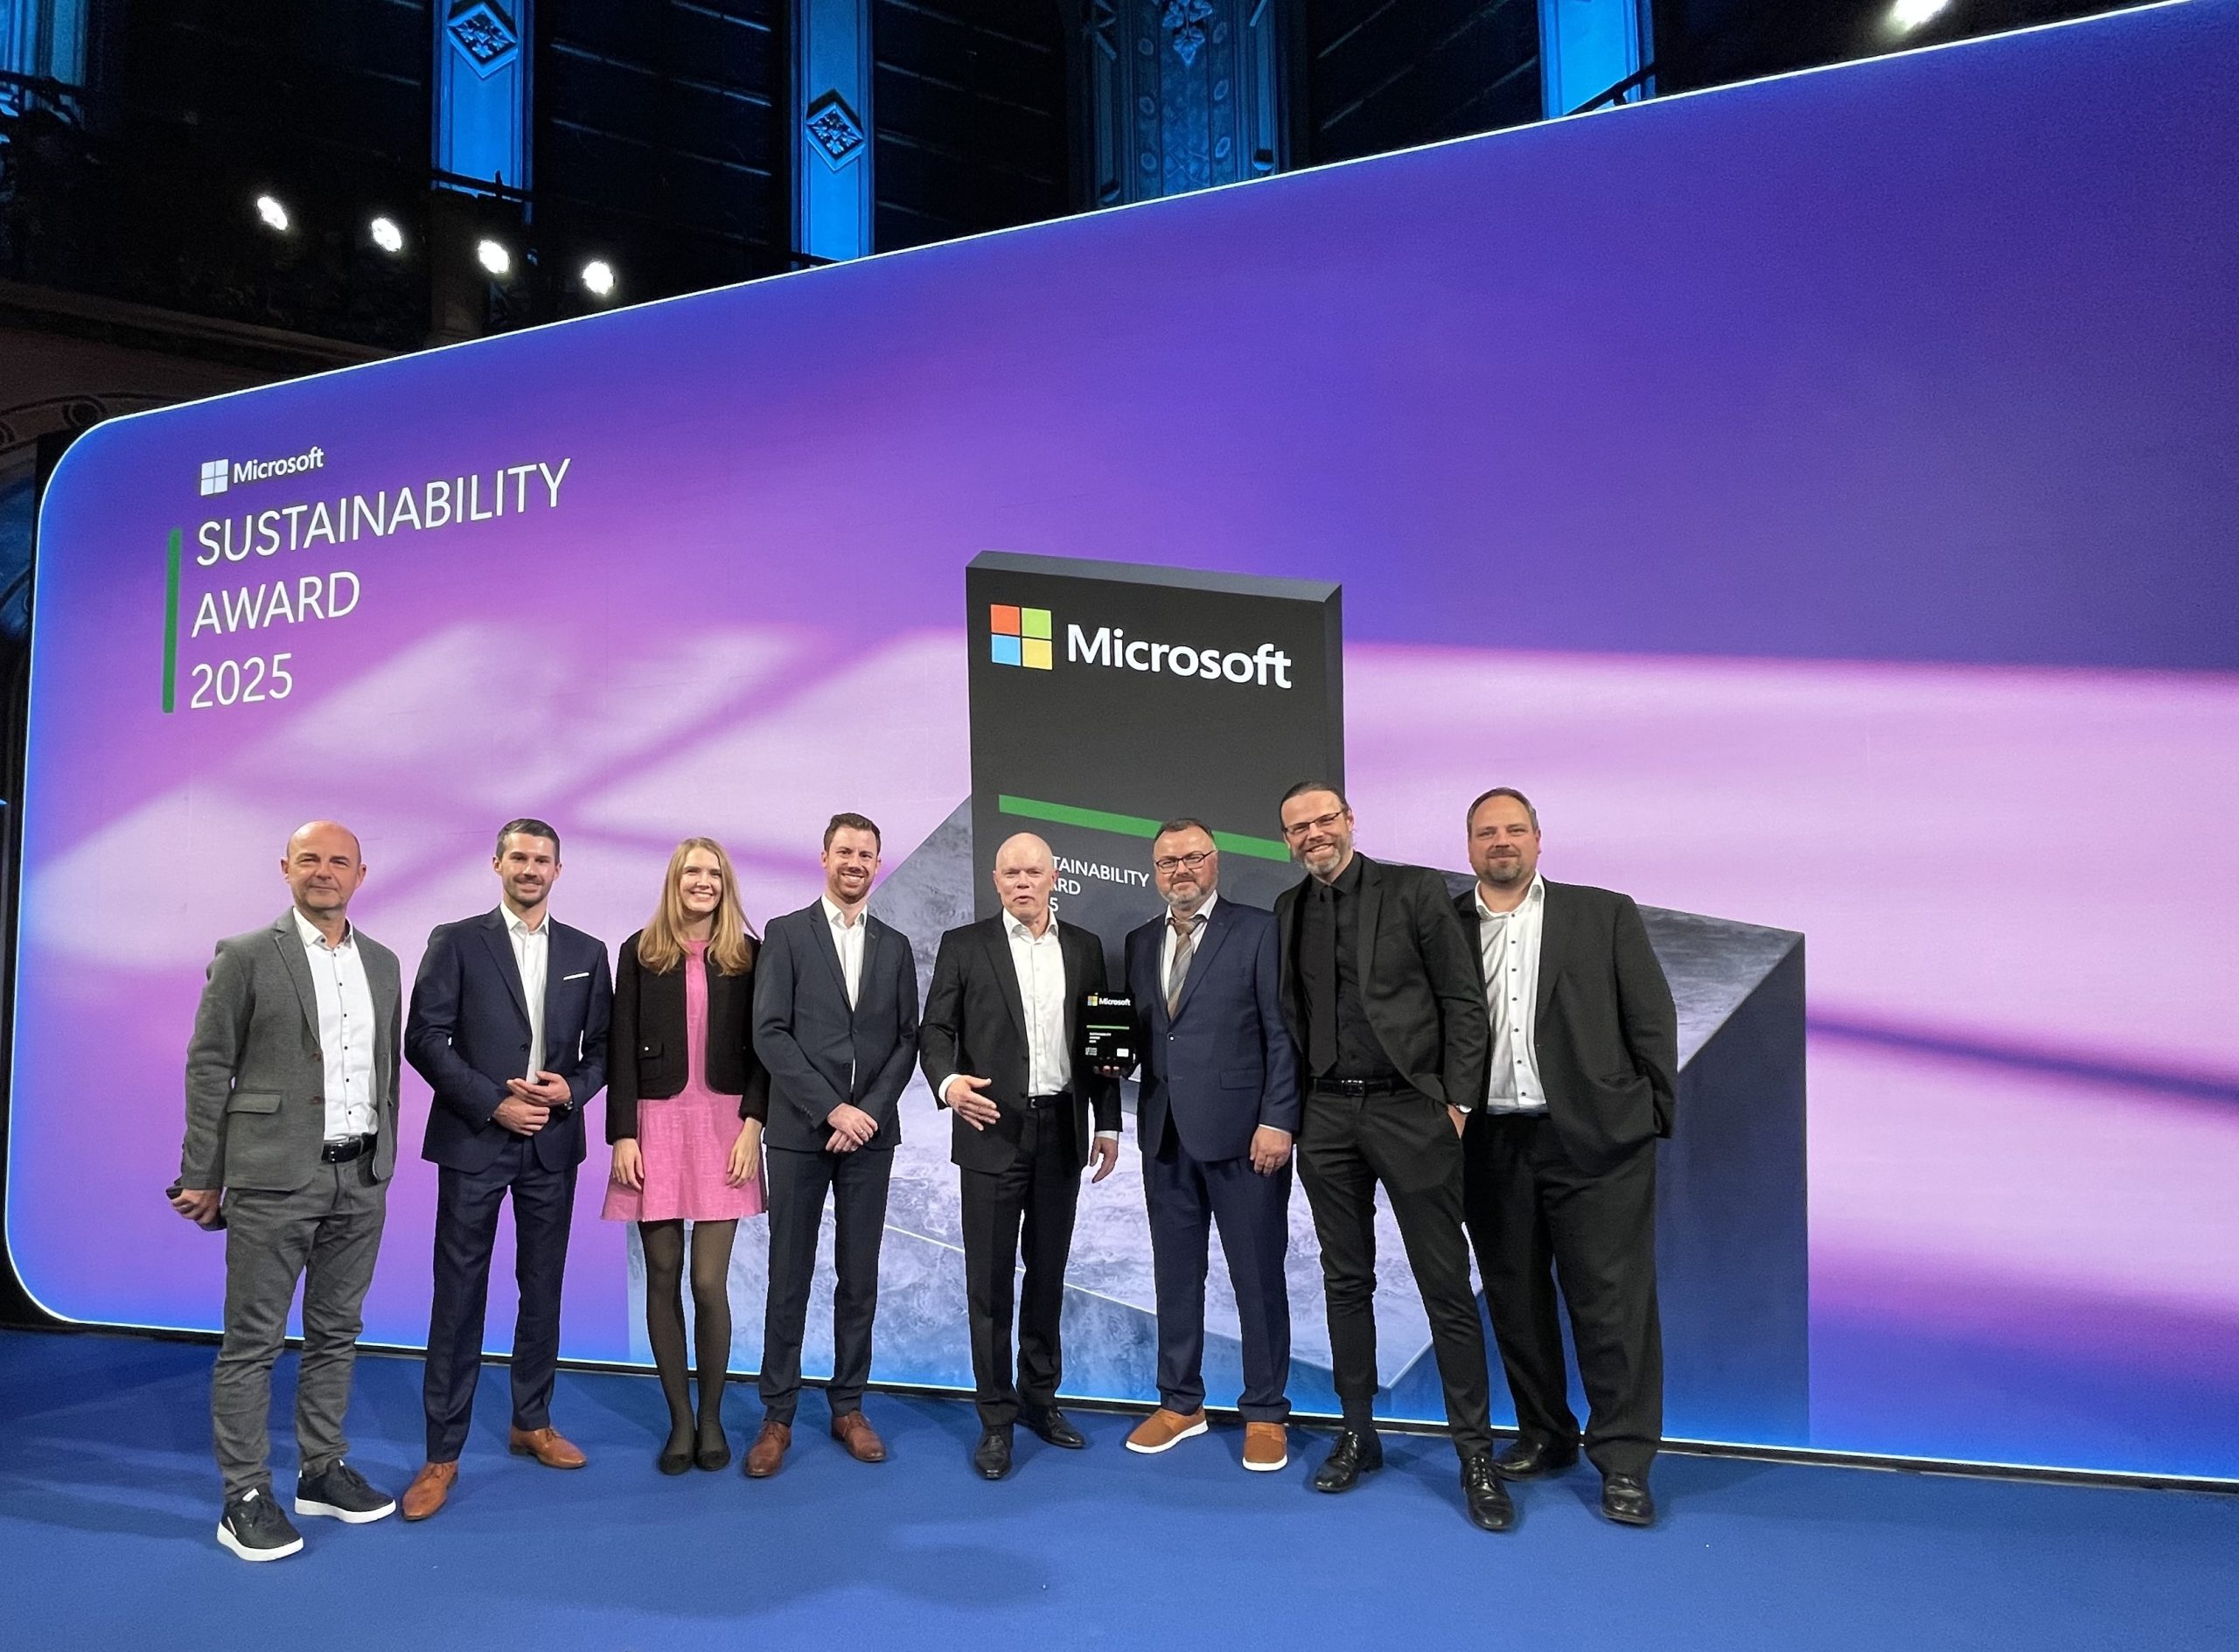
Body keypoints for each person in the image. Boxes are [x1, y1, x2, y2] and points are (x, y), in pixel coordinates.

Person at [1273, 782, 1512, 1533]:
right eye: (1298, 827)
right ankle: (1358, 1432)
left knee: (1444, 1284)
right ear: (1287, 840)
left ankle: (1476, 1454)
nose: (1314, 834)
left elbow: (1464, 1002)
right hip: (1328, 1115)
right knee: (1345, 1281)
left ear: (1349, 821)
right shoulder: (1288, 910)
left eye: (1323, 820)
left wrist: (1458, 1101)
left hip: (1413, 1109)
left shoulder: (1413, 891)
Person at [172, 821, 402, 1562]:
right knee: (252, 1344)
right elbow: (210, 1067)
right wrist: (203, 1171)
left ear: (361, 875)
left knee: (338, 1331)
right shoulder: (243, 956)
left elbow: (383, 1069)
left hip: (361, 1176)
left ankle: (321, 1469)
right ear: (286, 869)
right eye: (311, 859)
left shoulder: (384, 962)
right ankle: (243, 1494)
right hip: (272, 1179)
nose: (324, 871)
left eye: (339, 861)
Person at [1456, 787, 1678, 1527]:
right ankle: (1545, 1434)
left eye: (1514, 829)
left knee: (1611, 1308)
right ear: (1469, 848)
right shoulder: (1447, 925)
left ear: (1539, 840)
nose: (1501, 842)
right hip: (1490, 1143)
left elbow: (1651, 1014)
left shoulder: (1602, 911)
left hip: (1594, 1142)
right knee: (1515, 1301)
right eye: (1487, 832)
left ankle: (1623, 1462)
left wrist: (1646, 1115)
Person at [401, 818, 611, 1520]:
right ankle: (442, 1453)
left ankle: (532, 1420)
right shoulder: (456, 940)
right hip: (475, 1140)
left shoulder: (588, 950)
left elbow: (602, 1051)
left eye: (542, 858)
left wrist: (570, 1092)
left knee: (541, 1288)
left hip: (552, 1145)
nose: (530, 868)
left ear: (559, 869)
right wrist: (495, 1104)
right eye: (518, 856)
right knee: (458, 1296)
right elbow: (425, 1038)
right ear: (496, 863)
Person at [919, 832, 1121, 1480]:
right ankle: (995, 1419)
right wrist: (949, 1086)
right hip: (989, 1132)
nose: (1023, 882)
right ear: (997, 878)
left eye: (1034, 870)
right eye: (1011, 872)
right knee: (988, 1283)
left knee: (1047, 1275)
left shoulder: (1085, 946)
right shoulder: (964, 944)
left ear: (1054, 875)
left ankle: (1040, 1400)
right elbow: (935, 1031)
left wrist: (1110, 1122)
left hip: (1062, 1129)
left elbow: (1102, 1038)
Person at [1120, 818, 1299, 1471]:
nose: (1181, 871)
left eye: (1192, 858)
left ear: (1214, 862)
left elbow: (1283, 1034)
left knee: (1256, 1275)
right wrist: (1111, 1061)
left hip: (1246, 1137)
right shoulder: (1141, 940)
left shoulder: (1257, 930)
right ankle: (1181, 1402)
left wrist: (1278, 1118)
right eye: (1168, 862)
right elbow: (1149, 1036)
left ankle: (1265, 1409)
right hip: (1165, 1134)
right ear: (1155, 870)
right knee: (1175, 1276)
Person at [747, 812, 920, 1476]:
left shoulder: (896, 944)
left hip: (869, 1139)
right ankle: (777, 1415)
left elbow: (907, 1037)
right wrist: (832, 1109)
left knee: (859, 1276)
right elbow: (770, 1032)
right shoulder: (786, 935)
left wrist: (866, 1114)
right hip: (799, 1133)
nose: (855, 861)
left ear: (877, 864)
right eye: (844, 850)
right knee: (788, 1277)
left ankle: (848, 1404)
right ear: (823, 857)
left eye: (866, 853)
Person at [601, 838, 771, 1474]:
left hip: (727, 1127)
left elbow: (764, 1049)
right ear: (675, 881)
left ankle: (712, 1418)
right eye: (693, 871)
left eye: (714, 873)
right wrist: (623, 1133)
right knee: (664, 1274)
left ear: (726, 884)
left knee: (708, 1281)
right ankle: (679, 1423)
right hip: (654, 1125)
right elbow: (619, 1049)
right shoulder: (640, 954)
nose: (703, 882)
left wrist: (754, 1123)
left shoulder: (749, 955)